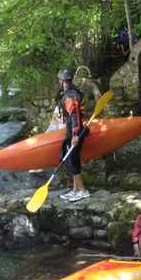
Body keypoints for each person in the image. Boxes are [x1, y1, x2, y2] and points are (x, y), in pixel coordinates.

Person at [57, 68, 90, 201]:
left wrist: (75, 135)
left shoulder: (70, 95)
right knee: (72, 160)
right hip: (73, 131)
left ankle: (82, 190)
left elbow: (75, 115)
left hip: (75, 132)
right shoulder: (72, 91)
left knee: (73, 161)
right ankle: (75, 189)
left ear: (61, 81)